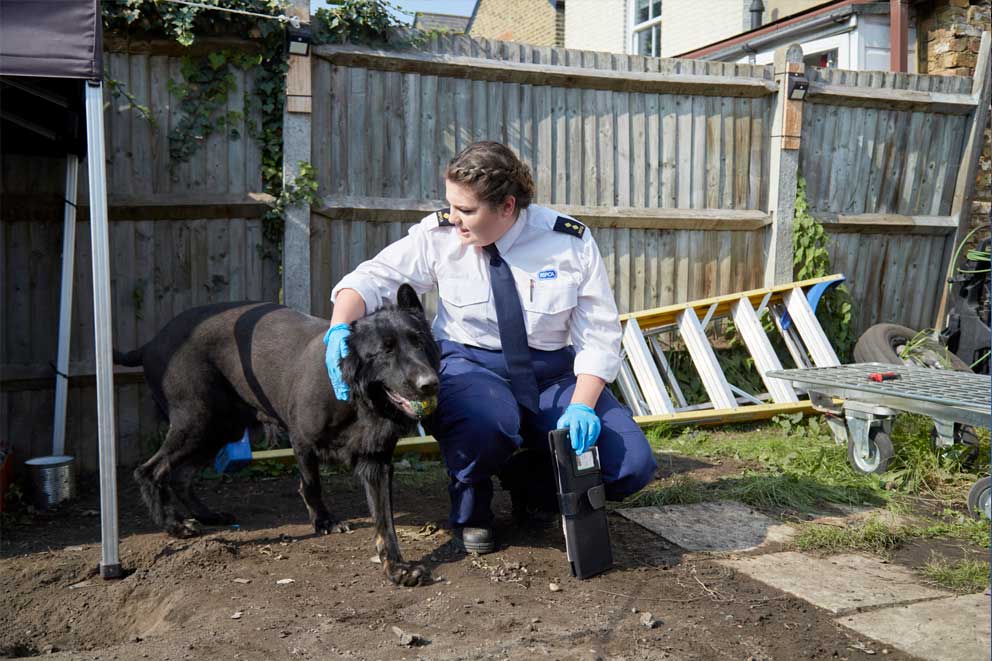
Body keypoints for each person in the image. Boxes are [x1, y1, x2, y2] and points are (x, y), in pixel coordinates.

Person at [325, 141, 656, 554]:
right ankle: (471, 508)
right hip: (470, 363)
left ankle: (529, 482)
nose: (455, 218)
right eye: (451, 205)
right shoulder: (439, 236)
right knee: (485, 425)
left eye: (467, 210)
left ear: (507, 207)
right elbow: (373, 278)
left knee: (630, 466)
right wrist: (340, 326)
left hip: (552, 372)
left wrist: (583, 405)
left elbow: (600, 334)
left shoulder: (568, 241)